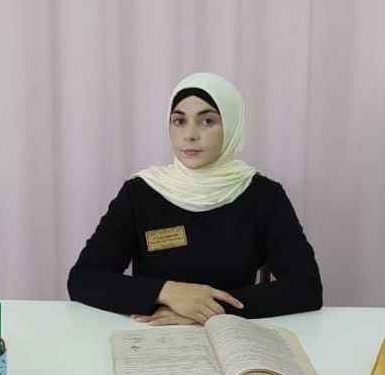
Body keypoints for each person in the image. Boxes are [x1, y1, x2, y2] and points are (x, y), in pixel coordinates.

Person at [67, 72, 322, 324]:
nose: (190, 134)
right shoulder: (141, 192)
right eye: (179, 121)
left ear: (231, 126)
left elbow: (306, 287)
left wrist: (207, 311)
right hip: (156, 336)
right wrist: (167, 292)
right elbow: (84, 279)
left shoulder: (262, 195)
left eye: (207, 121)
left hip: (232, 335)